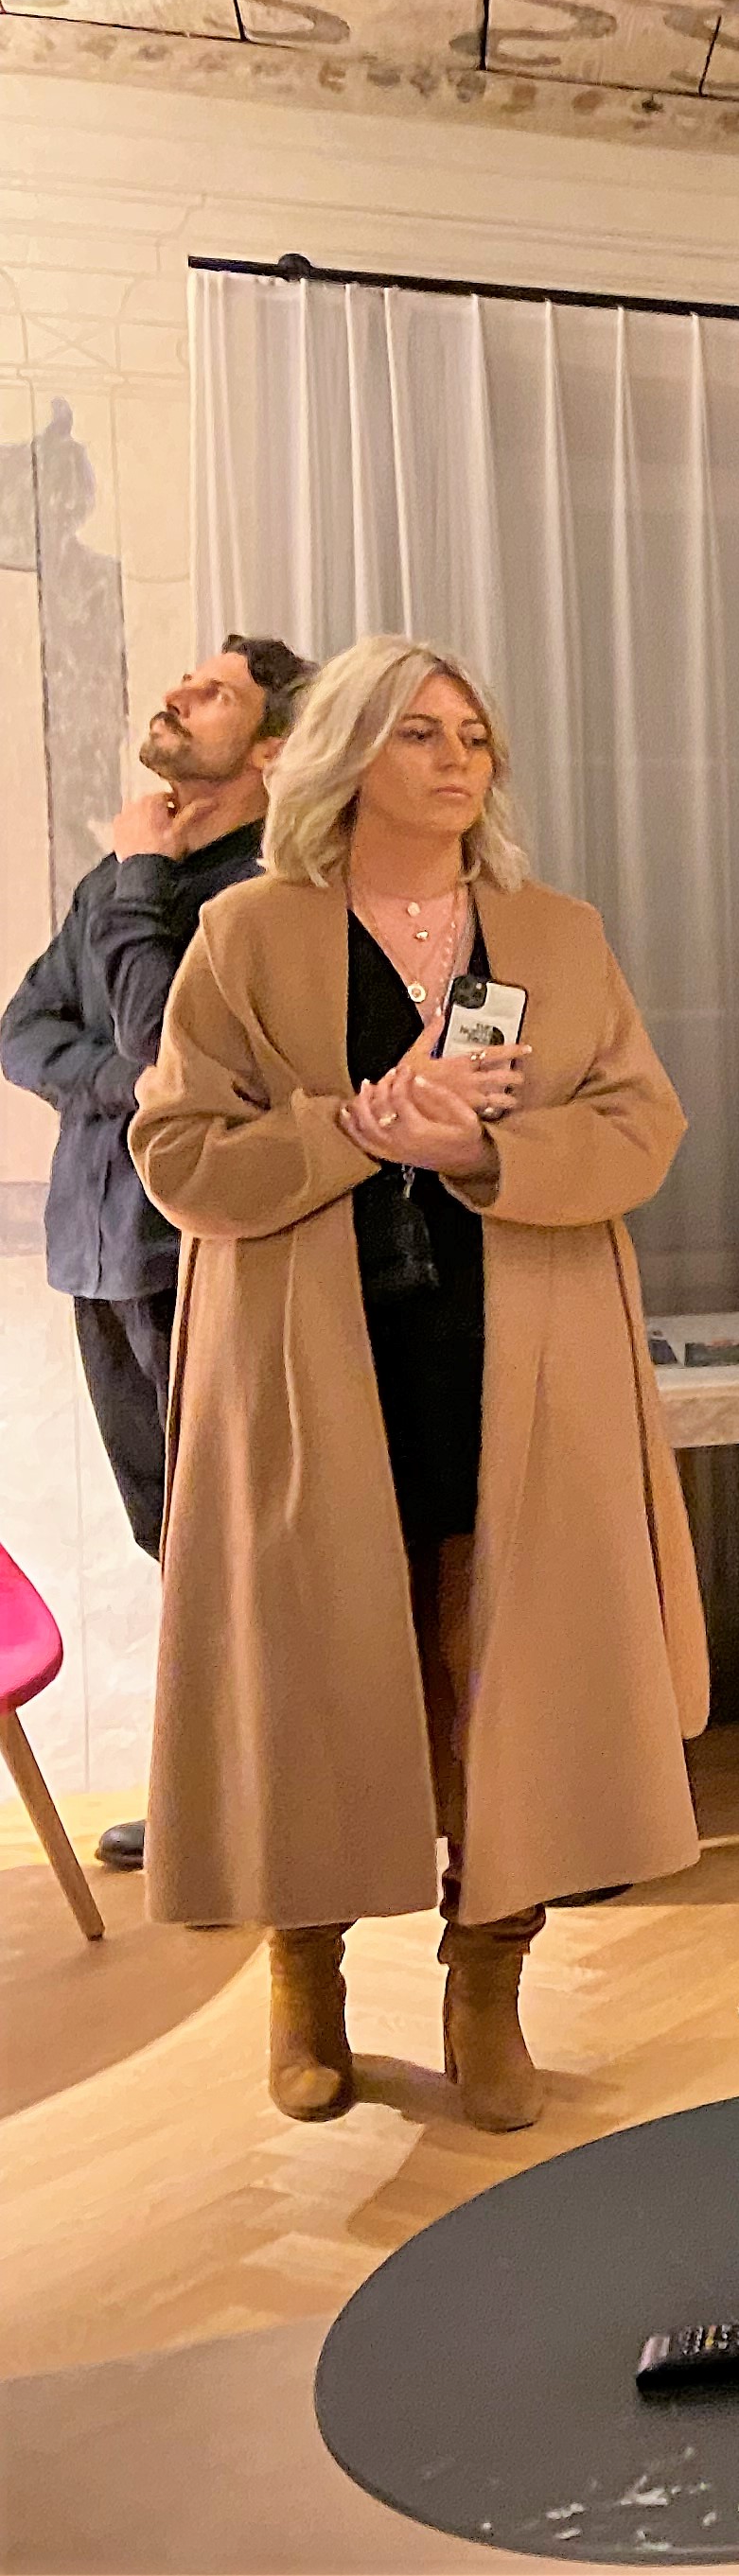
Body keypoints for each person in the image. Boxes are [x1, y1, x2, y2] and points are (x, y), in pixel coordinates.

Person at [131, 635, 709, 2127]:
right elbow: (177, 1154)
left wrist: (486, 1149)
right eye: (418, 733)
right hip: (311, 1370)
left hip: (515, 1363)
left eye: (472, 734)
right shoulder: (248, 933)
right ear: (345, 755)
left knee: (501, 1681)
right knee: (314, 1672)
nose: (457, 758)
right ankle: (304, 1972)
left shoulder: (558, 936)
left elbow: (641, 1127)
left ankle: (487, 1973)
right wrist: (354, 1126)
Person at [1, 636, 314, 1871]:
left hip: (196, 1254)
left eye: (213, 692)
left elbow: (167, 1043)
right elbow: (23, 1029)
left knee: (238, 1541)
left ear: (272, 747)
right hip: (95, 1252)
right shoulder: (117, 879)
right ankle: (219, 1785)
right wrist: (127, 1087)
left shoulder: (261, 887)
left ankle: (267, 1799)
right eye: (185, 682)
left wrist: (143, 877)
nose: (176, 696)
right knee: (171, 1540)